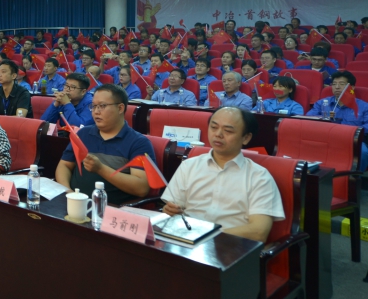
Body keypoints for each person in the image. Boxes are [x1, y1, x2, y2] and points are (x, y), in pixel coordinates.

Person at [161, 108, 284, 242]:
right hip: (185, 241)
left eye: (228, 131)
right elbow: (172, 211)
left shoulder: (259, 177)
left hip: (231, 246)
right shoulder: (189, 166)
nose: (218, 134)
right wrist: (170, 211)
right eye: (214, 127)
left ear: (246, 138)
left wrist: (204, 236)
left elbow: (258, 232)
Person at [55, 85, 155, 204]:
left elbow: (142, 188)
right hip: (74, 202)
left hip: (111, 209)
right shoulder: (83, 133)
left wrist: (100, 169)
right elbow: (64, 166)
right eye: (94, 106)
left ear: (120, 108)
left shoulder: (138, 142)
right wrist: (69, 193)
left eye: (102, 106)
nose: (96, 112)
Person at [307, 71, 368, 170]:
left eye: (342, 84)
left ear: (352, 87)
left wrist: (353, 132)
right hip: (325, 138)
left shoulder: (364, 106)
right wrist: (324, 117)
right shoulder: (322, 103)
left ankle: (353, 176)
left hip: (352, 139)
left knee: (363, 152)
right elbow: (308, 118)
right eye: (334, 84)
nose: (337, 87)